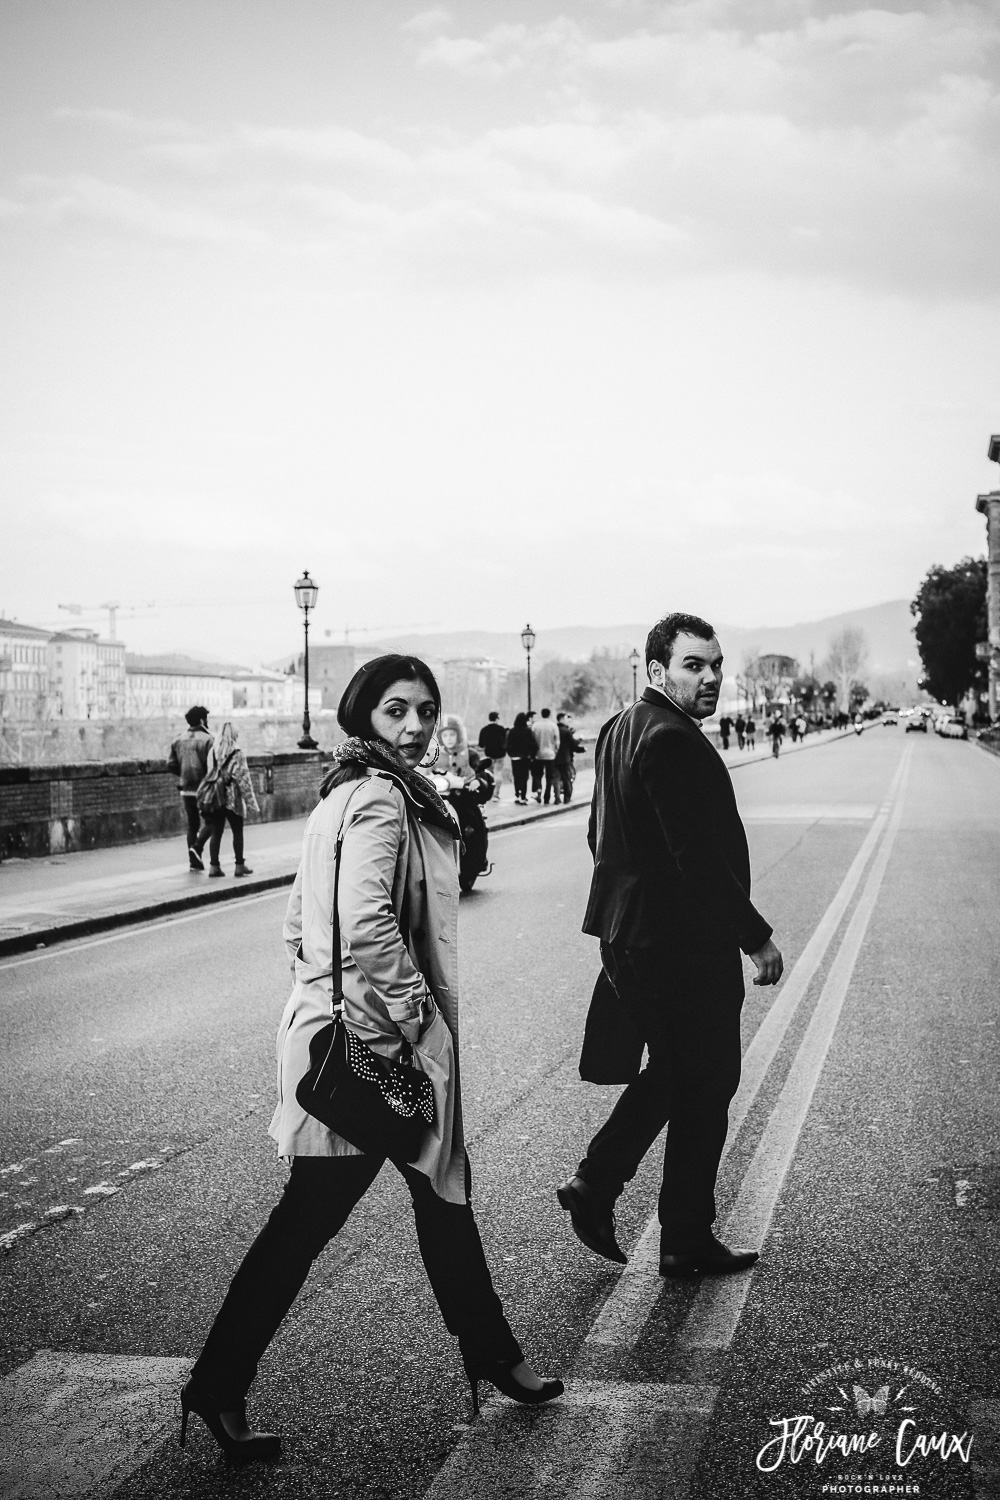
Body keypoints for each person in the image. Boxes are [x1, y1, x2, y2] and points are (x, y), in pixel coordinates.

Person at [182, 655, 562, 1464]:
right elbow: (365, 926)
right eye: (397, 711)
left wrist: (324, 994)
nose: (417, 726)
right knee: (330, 1218)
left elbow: (296, 925)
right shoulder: (386, 798)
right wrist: (420, 1021)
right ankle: (217, 1385)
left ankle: (492, 1355)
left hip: (332, 1035)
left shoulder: (340, 792)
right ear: (364, 717)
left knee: (435, 1193)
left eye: (426, 710)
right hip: (373, 1049)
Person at [557, 613, 783, 1277]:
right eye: (693, 665)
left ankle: (653, 1215)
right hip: (676, 944)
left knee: (687, 1072)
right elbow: (697, 860)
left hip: (632, 935)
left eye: (715, 665)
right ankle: (627, 1200)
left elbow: (598, 835)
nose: (709, 677)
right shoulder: (673, 739)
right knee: (706, 1077)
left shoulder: (621, 727)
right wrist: (755, 935)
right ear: (657, 670)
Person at [194, 721, 260, 877]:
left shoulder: (213, 752)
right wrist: (252, 803)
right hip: (233, 798)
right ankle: (239, 865)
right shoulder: (237, 752)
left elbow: (211, 773)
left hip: (216, 797)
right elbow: (244, 780)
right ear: (234, 734)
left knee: (216, 832)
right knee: (237, 831)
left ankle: (214, 867)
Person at [167, 706, 214, 871]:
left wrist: (183, 774)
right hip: (204, 788)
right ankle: (198, 847)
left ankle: (193, 859)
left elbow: (170, 764)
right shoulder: (209, 740)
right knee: (212, 822)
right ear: (202, 720)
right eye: (206, 718)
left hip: (186, 788)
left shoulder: (178, 740)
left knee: (192, 825)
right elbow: (213, 766)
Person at [555, 712, 585, 804]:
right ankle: (567, 798)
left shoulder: (555, 729)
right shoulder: (566, 731)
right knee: (567, 778)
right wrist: (580, 742)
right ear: (561, 719)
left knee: (555, 778)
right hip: (566, 758)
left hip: (554, 758)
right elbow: (573, 744)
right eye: (565, 719)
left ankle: (556, 798)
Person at [532, 707, 561, 804]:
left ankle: (539, 791)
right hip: (550, 755)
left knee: (538, 775)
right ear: (549, 714)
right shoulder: (553, 726)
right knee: (549, 777)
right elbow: (557, 742)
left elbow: (532, 740)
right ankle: (547, 797)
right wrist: (555, 751)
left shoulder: (535, 726)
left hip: (538, 755)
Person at [507, 711, 536, 805]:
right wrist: (531, 755)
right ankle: (523, 796)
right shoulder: (527, 731)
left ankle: (517, 794)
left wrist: (511, 754)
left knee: (516, 777)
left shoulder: (512, 731)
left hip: (514, 757)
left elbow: (507, 745)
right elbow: (533, 744)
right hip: (524, 757)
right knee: (524, 777)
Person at [477, 712, 508, 799]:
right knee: (498, 773)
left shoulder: (484, 730)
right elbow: (505, 742)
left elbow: (481, 744)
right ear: (497, 719)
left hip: (489, 755)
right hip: (500, 755)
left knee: (489, 775)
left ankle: (489, 793)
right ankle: (496, 794)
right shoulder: (501, 729)